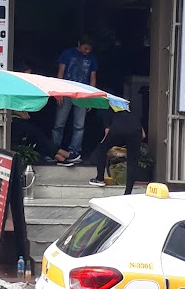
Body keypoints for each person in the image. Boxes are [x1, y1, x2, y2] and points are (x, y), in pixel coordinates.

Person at [51, 37, 98, 165]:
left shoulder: (92, 58)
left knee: (79, 125)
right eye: (85, 48)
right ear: (79, 44)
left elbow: (93, 78)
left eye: (89, 49)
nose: (87, 51)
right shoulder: (67, 53)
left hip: (82, 94)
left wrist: (91, 96)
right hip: (66, 91)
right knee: (59, 124)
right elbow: (60, 72)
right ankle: (54, 151)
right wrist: (58, 93)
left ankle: (74, 152)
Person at [88, 109, 144, 196]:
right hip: (135, 130)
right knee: (132, 161)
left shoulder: (110, 111)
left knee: (101, 149)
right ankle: (128, 192)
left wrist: (105, 143)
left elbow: (107, 131)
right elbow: (143, 135)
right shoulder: (133, 114)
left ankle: (100, 178)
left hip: (118, 128)